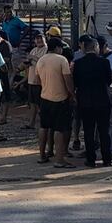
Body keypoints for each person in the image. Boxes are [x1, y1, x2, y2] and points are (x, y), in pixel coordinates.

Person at [36, 37, 75, 168]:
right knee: (59, 129)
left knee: (44, 127)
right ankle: (60, 159)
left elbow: (37, 80)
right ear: (58, 48)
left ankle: (42, 156)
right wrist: (72, 94)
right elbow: (68, 80)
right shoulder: (61, 60)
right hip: (60, 99)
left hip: (44, 97)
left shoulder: (41, 60)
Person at [73, 37, 112, 168]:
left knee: (88, 132)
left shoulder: (78, 63)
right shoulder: (104, 62)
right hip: (103, 101)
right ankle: (107, 159)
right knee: (104, 132)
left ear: (84, 48)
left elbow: (76, 83)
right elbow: (108, 81)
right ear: (96, 47)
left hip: (85, 102)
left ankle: (91, 159)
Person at [20, 32, 47, 129]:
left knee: (40, 104)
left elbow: (43, 62)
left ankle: (44, 123)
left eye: (40, 38)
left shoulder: (46, 50)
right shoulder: (33, 50)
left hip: (40, 81)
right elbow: (29, 62)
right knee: (32, 103)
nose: (39, 40)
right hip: (31, 79)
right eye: (37, 39)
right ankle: (31, 123)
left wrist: (33, 58)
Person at [0, 30, 14, 125]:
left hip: (5, 72)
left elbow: (6, 60)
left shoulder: (6, 45)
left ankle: (3, 117)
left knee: (5, 95)